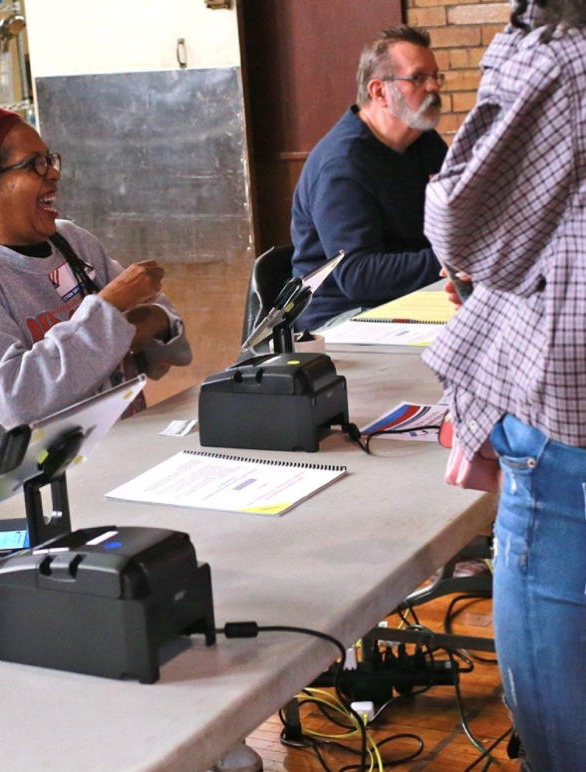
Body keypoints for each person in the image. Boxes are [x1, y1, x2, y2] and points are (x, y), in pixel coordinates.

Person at [422, 2, 586, 768]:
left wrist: (523, 35)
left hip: (569, 418)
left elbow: (461, 226)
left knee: (561, 729)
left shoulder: (561, 53)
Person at [0, 100, 192, 499]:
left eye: (51, 160)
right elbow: (19, 399)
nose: (54, 174)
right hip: (19, 495)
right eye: (34, 165)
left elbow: (167, 335)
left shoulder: (73, 242)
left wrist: (135, 328)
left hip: (114, 466)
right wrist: (110, 314)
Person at [291, 25, 449, 331]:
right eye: (418, 78)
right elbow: (359, 277)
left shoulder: (424, 142)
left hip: (408, 302)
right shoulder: (342, 164)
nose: (433, 87)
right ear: (379, 92)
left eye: (435, 76)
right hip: (341, 319)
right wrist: (455, 258)